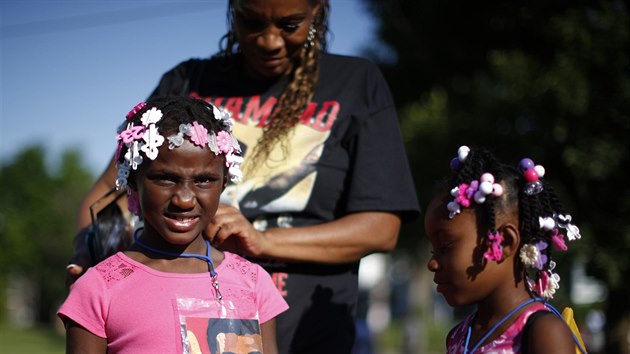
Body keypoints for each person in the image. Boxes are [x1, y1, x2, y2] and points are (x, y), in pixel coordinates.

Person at [70, 0, 421, 352]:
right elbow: (112, 187)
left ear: (317, 10)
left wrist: (262, 241)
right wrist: (97, 258)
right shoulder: (188, 81)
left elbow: (381, 227)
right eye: (252, 22)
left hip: (310, 332)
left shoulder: (356, 84)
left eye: (289, 25)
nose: (269, 41)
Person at [58, 96, 288, 354]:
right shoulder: (98, 289)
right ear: (133, 182)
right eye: (166, 179)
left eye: (204, 180)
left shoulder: (254, 283)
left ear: (224, 183)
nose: (184, 199)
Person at [424, 145, 587, 354]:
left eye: (445, 245)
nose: (433, 263)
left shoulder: (542, 332)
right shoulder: (458, 336)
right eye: (433, 250)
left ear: (504, 242)